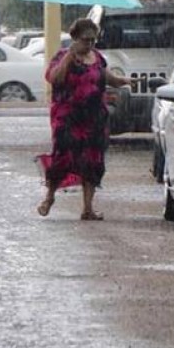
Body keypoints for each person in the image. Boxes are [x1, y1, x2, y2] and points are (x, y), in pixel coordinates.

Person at [36, 17, 134, 220]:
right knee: (62, 158)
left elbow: (108, 78)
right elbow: (53, 78)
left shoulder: (97, 58)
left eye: (93, 40)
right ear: (74, 38)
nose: (89, 44)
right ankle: (49, 197)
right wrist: (68, 59)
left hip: (94, 118)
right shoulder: (63, 56)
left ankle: (87, 208)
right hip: (68, 118)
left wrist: (124, 81)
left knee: (92, 161)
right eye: (85, 39)